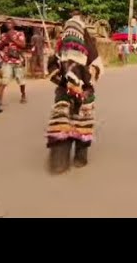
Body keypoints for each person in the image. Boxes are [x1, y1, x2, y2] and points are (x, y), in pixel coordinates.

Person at [45, 9, 104, 174]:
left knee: (81, 125)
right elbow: (51, 69)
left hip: (82, 91)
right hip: (67, 90)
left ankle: (75, 158)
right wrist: (66, 80)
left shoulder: (84, 46)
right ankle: (62, 160)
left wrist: (80, 82)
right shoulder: (63, 46)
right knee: (62, 124)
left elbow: (97, 69)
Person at [0, 19, 27, 104]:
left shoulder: (19, 33)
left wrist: (12, 39)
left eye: (10, 22)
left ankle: (23, 95)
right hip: (7, 60)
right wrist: (4, 42)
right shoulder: (3, 35)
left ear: (14, 24)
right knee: (4, 79)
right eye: (7, 23)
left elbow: (23, 45)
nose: (8, 24)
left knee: (20, 79)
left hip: (17, 60)